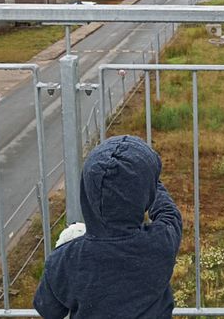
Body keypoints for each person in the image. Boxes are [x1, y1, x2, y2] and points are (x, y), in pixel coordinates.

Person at [34, 135, 182, 319]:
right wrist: (150, 181)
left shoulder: (64, 260)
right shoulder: (161, 244)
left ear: (86, 191)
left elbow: (49, 309)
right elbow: (170, 214)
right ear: (146, 194)